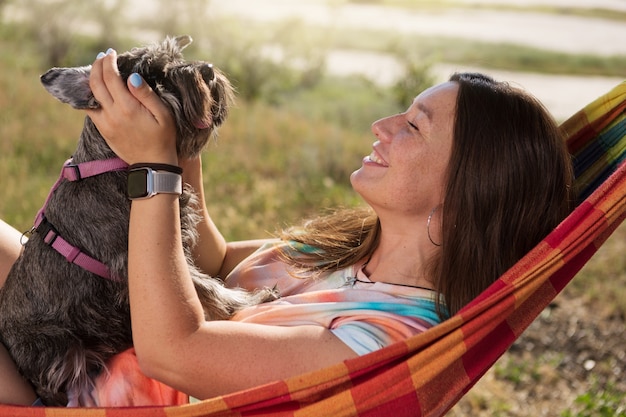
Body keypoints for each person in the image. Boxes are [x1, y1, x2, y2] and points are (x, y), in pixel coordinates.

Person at [0, 48, 574, 405]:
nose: (382, 125)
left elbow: (172, 352)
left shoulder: (381, 342)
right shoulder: (354, 255)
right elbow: (217, 264)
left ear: (467, 190)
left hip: (76, 394)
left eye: (414, 127)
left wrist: (156, 171)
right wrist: (182, 133)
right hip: (84, 339)